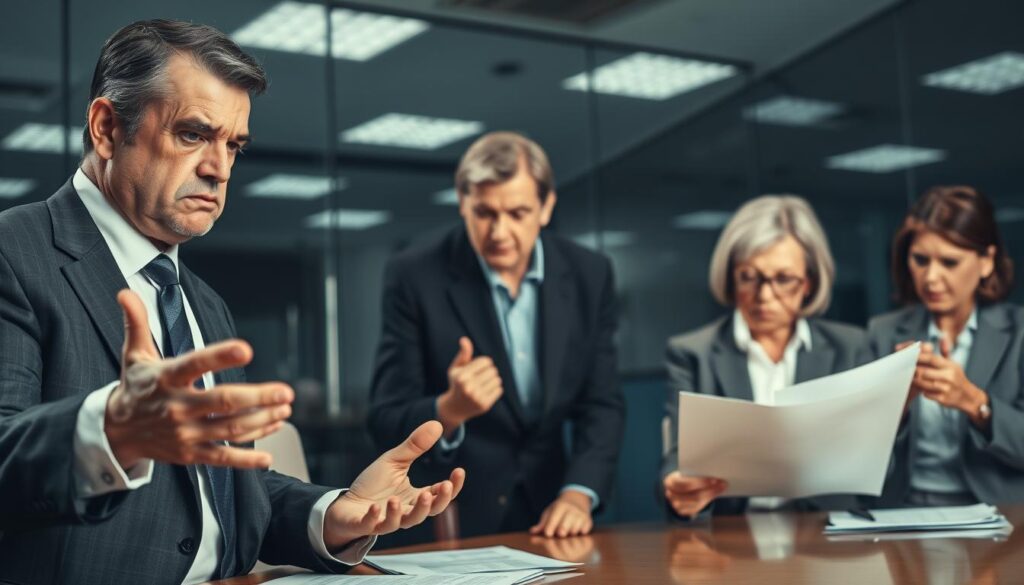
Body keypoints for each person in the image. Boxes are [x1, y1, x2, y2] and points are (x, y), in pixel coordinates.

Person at [0, 20, 463, 585]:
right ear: (107, 128)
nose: (219, 169)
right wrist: (112, 431)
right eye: (193, 134)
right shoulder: (14, 254)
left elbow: (222, 490)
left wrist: (333, 514)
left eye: (233, 145)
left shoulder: (205, 305)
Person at [368, 131, 625, 539]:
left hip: (555, 517)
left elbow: (602, 405)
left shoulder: (589, 275)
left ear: (546, 207)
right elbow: (385, 419)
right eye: (485, 213)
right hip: (451, 522)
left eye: (518, 213)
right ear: (463, 204)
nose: (500, 232)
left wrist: (579, 493)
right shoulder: (413, 277)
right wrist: (449, 409)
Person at [661, 195, 863, 518]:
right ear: (731, 277)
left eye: (783, 279)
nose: (764, 296)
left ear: (809, 282)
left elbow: (870, 457)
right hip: (733, 536)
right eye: (749, 277)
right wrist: (675, 484)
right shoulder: (693, 353)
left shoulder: (851, 347)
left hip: (825, 535)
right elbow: (679, 455)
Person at [866, 185, 1024, 507]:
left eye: (949, 263)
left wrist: (976, 403)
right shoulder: (881, 334)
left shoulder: (1019, 332)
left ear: (986, 262)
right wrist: (896, 405)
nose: (931, 278)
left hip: (1000, 519)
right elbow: (855, 458)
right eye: (920, 260)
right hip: (903, 513)